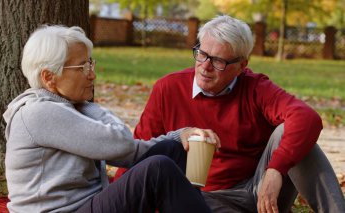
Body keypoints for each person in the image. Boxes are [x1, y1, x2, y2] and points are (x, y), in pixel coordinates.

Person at [121, 15, 345, 213]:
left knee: (295, 133)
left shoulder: (255, 87)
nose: (205, 66)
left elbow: (307, 118)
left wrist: (276, 169)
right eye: (202, 54)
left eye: (218, 61)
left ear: (242, 65)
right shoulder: (168, 89)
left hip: (259, 189)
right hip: (202, 198)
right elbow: (138, 151)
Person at [3, 25, 220, 213]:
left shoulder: (64, 107)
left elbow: (130, 153)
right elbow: (122, 142)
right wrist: (89, 105)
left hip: (87, 204)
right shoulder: (39, 113)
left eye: (91, 64)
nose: (92, 74)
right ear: (49, 77)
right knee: (158, 169)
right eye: (82, 67)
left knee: (173, 150)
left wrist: (179, 135)